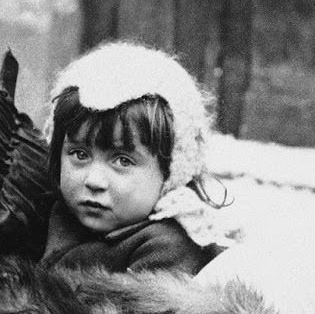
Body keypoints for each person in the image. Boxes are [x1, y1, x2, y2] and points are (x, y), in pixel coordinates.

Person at [40, 40, 220, 274]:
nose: (94, 181)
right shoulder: (54, 212)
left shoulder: (166, 250)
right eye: (79, 154)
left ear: (171, 173)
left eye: (123, 160)